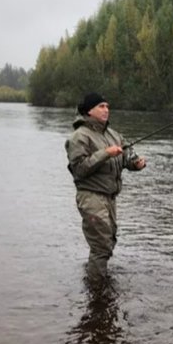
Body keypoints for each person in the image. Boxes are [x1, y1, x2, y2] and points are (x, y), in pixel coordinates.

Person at [65, 92, 146, 283]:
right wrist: (105, 153)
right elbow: (79, 170)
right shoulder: (79, 137)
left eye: (107, 106)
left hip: (110, 197)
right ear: (89, 111)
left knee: (108, 241)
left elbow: (127, 157)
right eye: (101, 106)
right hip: (91, 197)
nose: (106, 110)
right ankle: (96, 288)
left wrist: (136, 164)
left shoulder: (113, 134)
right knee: (101, 246)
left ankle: (97, 281)